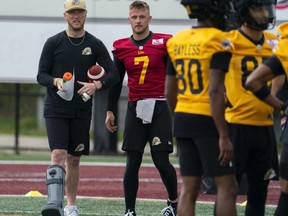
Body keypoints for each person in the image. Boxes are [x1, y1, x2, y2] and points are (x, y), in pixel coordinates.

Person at [37, 0, 119, 215]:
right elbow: (41, 75)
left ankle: (71, 206)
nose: (76, 16)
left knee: (74, 158)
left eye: (79, 12)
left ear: (85, 14)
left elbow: (114, 74)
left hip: (81, 110)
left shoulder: (95, 44)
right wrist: (54, 81)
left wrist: (96, 85)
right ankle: (54, 204)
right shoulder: (53, 42)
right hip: (55, 108)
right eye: (71, 12)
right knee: (58, 154)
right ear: (65, 15)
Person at [105, 1, 178, 215]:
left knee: (161, 159)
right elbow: (117, 81)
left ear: (149, 19)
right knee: (133, 160)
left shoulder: (164, 42)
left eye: (142, 16)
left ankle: (173, 203)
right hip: (135, 107)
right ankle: (129, 210)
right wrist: (109, 110)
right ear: (129, 19)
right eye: (134, 17)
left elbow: (175, 75)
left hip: (160, 106)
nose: (138, 21)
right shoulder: (121, 47)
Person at [165, 0, 238, 215]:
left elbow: (170, 91)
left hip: (183, 118)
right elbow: (215, 91)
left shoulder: (176, 41)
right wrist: (223, 135)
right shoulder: (219, 41)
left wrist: (179, 116)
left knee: (189, 189)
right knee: (227, 187)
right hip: (208, 119)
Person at [220, 0, 279, 215]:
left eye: (267, 7)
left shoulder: (275, 42)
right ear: (244, 10)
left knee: (259, 193)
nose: (265, 13)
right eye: (259, 8)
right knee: (227, 191)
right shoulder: (228, 42)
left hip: (264, 127)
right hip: (235, 126)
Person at [245, 22, 288, 216]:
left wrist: (277, 104)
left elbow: (255, 81)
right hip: (242, 118)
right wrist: (278, 104)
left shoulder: (278, 39)